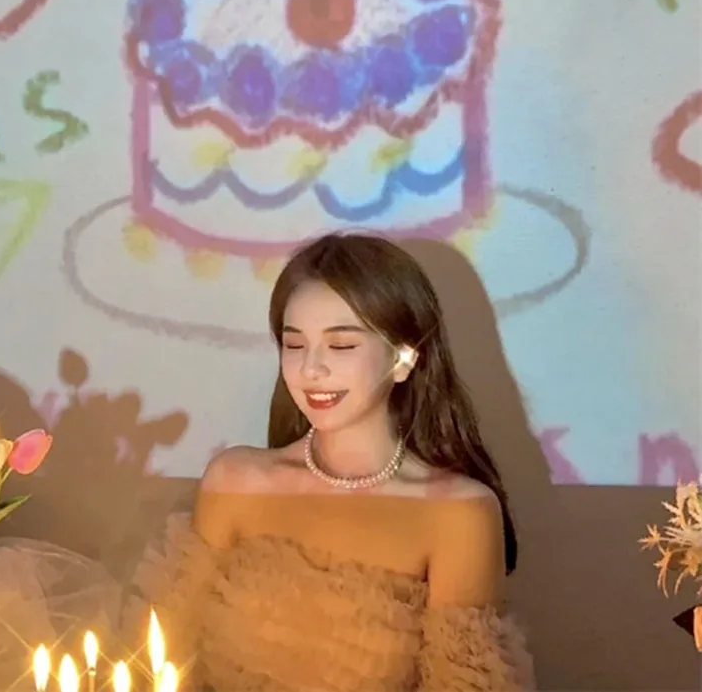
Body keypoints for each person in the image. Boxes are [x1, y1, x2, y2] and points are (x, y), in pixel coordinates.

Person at [129, 233, 534, 691]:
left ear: (404, 359)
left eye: (341, 346)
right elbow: (160, 660)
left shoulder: (458, 513)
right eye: (294, 345)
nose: (311, 369)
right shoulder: (235, 481)